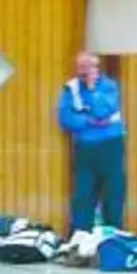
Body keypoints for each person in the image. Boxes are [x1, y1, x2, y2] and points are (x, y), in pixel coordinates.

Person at [57, 52, 126, 235]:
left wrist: (92, 89)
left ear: (96, 68)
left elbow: (103, 111)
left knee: (113, 192)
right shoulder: (70, 89)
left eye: (88, 67)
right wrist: (87, 121)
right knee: (83, 194)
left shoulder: (109, 87)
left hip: (111, 144)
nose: (83, 72)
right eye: (81, 67)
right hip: (85, 147)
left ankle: (114, 235)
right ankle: (80, 236)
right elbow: (66, 118)